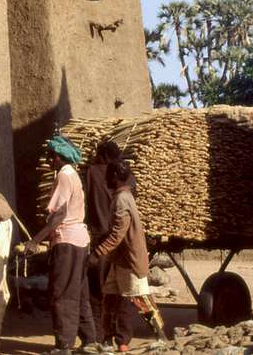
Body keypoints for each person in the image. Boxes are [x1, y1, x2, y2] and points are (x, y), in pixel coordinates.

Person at [25, 136, 101, 355]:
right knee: (79, 292)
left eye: (51, 156)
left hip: (67, 241)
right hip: (79, 242)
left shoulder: (64, 175)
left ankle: (64, 345)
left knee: (62, 294)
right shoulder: (74, 175)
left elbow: (59, 215)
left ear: (58, 157)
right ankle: (89, 340)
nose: (49, 160)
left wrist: (35, 240)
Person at [92, 160, 165, 351]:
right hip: (119, 260)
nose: (105, 178)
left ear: (115, 176)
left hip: (130, 261)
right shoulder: (123, 196)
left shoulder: (121, 200)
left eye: (108, 174)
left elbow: (118, 233)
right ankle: (110, 340)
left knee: (139, 298)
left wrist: (97, 252)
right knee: (110, 297)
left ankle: (159, 337)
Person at [84, 142, 135, 342]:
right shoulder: (130, 178)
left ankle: (100, 336)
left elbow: (87, 202)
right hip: (123, 244)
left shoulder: (92, 172)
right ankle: (122, 338)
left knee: (97, 292)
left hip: (102, 241)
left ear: (103, 156)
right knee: (122, 292)